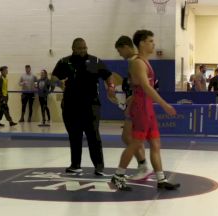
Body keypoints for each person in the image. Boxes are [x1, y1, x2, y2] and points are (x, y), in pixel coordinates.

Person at [111, 30, 180, 191]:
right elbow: (146, 87)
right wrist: (165, 105)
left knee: (155, 143)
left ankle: (161, 179)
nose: (153, 44)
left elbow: (141, 89)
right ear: (141, 43)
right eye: (150, 41)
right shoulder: (138, 63)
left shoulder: (144, 61)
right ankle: (118, 175)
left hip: (146, 106)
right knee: (135, 143)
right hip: (142, 107)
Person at [52, 37, 116, 176]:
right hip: (70, 105)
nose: (83, 50)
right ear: (73, 49)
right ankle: (75, 165)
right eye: (80, 48)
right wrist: (58, 83)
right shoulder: (64, 62)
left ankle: (99, 167)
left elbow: (108, 75)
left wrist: (111, 86)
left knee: (93, 135)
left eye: (85, 48)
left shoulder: (95, 61)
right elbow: (54, 77)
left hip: (91, 105)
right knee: (74, 136)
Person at [115, 35, 152, 180]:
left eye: (120, 51)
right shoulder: (138, 60)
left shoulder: (135, 62)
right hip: (137, 101)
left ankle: (142, 166)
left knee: (129, 137)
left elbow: (142, 85)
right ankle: (143, 166)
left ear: (126, 47)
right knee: (130, 137)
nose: (120, 55)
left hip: (138, 103)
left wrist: (131, 102)